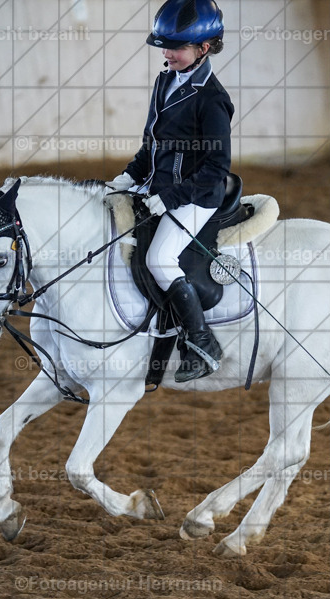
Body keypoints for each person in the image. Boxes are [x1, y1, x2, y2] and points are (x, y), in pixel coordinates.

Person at [108, 0, 232, 383]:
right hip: (154, 190)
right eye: (164, 45)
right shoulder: (165, 81)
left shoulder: (213, 100)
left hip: (196, 197)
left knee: (160, 258)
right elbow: (152, 145)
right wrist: (128, 178)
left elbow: (216, 170)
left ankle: (201, 342)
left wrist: (171, 198)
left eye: (175, 47)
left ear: (204, 48)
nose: (167, 53)